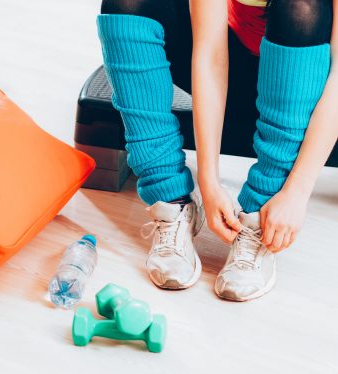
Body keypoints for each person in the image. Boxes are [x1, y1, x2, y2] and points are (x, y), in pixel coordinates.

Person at [97, 0, 338, 301]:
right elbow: (210, 56)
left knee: (301, 4)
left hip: (303, 82)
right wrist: (208, 183)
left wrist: (296, 193)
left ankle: (259, 218)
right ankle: (171, 201)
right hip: (234, 66)